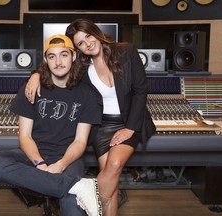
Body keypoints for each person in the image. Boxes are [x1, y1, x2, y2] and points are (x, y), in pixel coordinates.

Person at [25, 19, 156, 216]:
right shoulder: (82, 66)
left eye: (88, 36)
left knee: (113, 165)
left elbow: (141, 91)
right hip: (101, 127)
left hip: (128, 122)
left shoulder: (126, 52)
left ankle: (90, 199)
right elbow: (55, 64)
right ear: (77, 49)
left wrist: (129, 128)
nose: (87, 44)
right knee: (112, 180)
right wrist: (35, 75)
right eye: (80, 43)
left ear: (96, 32)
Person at [0, 34, 103, 216]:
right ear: (46, 60)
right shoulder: (31, 89)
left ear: (73, 56)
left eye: (64, 55)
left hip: (68, 157)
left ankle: (72, 188)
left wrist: (61, 164)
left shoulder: (87, 95)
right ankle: (78, 186)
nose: (58, 62)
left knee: (72, 202)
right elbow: (25, 136)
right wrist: (39, 164)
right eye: (52, 56)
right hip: (33, 154)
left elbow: (80, 141)